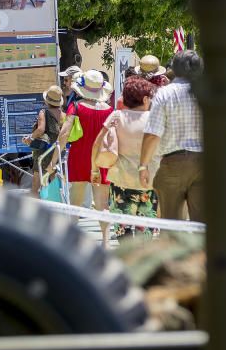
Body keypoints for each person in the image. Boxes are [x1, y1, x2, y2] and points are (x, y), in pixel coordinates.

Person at [139, 50, 205, 221]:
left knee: (172, 224)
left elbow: (153, 133)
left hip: (173, 163)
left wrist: (143, 165)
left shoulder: (165, 93)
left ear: (174, 69)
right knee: (203, 226)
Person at [92, 76, 159, 241]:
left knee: (123, 235)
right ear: (144, 99)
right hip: (148, 184)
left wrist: (94, 169)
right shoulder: (154, 118)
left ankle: (126, 264)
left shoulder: (116, 116)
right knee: (146, 235)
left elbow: (96, 143)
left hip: (121, 183)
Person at [52, 69, 114, 242]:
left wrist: (53, 159)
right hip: (101, 159)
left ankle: (70, 240)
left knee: (75, 202)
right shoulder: (109, 110)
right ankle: (106, 242)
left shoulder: (76, 107)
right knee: (103, 204)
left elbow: (64, 134)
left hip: (79, 157)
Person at [23, 86, 64, 197]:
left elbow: (41, 129)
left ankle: (34, 203)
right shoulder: (63, 114)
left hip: (43, 151)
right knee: (54, 176)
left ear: (47, 100)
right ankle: (59, 200)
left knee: (37, 179)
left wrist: (30, 137)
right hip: (57, 149)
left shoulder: (44, 112)